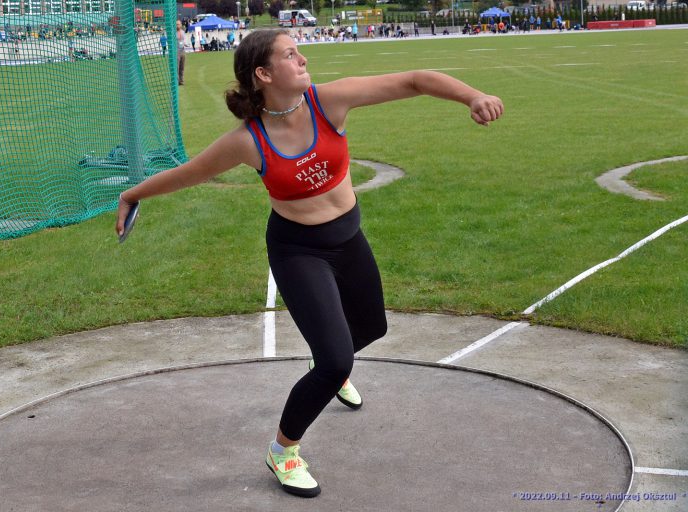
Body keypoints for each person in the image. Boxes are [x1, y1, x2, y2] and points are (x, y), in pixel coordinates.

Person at [115, 29, 503, 499]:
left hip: (349, 238)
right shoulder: (248, 141)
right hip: (299, 250)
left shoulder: (329, 102)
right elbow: (190, 173)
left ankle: (333, 373)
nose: (302, 58)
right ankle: (284, 451)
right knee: (335, 357)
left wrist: (473, 96)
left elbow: (415, 80)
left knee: (372, 329)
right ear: (263, 74)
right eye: (290, 54)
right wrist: (132, 194)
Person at [176, 20, 186, 85]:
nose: (178, 25)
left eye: (179, 24)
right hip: (176, 51)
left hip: (183, 51)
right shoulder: (173, 33)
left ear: (181, 25)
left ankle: (181, 81)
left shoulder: (183, 32)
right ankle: (176, 81)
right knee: (177, 67)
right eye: (176, 24)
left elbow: (183, 40)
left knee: (182, 67)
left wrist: (185, 44)